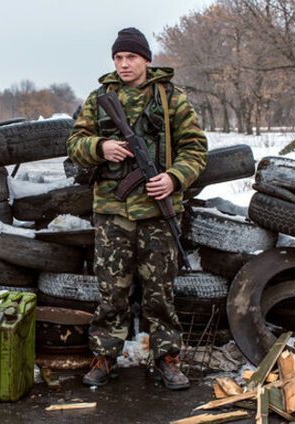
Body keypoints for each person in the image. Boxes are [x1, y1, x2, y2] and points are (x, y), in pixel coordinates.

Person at [66, 27, 207, 389]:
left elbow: (196, 148)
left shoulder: (171, 98)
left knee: (160, 291)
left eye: (131, 57)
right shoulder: (100, 98)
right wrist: (101, 148)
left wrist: (174, 178)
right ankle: (105, 355)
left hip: (157, 212)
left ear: (146, 59)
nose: (125, 64)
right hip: (113, 211)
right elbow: (74, 144)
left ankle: (166, 358)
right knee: (111, 290)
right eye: (119, 58)